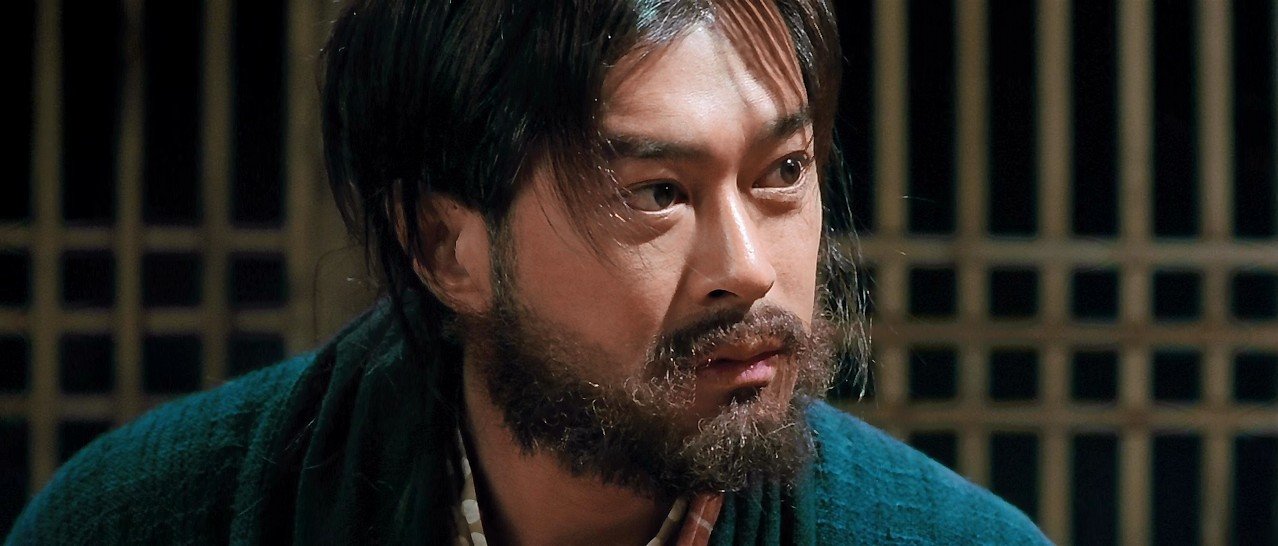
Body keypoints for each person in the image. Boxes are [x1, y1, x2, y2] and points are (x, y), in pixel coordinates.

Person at [8, 1, 1050, 544]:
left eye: (782, 173)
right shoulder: (151, 519)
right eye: (658, 193)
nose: (747, 270)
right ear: (445, 247)